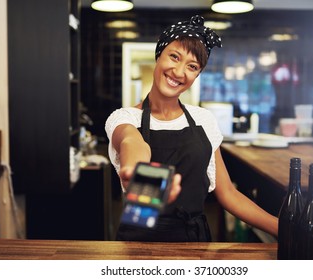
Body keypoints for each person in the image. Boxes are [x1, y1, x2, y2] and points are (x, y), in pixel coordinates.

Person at [105, 15, 278, 242]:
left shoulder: (203, 120)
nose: (179, 72)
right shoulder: (124, 117)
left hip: (194, 241)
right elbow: (131, 141)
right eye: (174, 57)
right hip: (140, 242)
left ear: (197, 75)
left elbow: (227, 194)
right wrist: (136, 169)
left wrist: (284, 229)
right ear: (159, 56)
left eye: (192, 66)